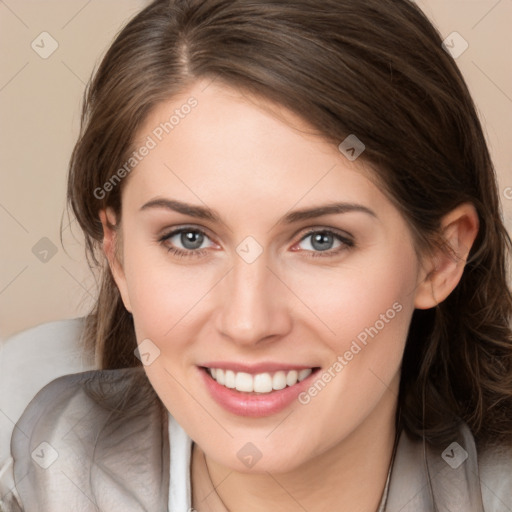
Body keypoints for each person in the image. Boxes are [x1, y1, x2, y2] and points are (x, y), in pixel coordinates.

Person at [1, 0, 511, 510]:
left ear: (442, 256)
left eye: (321, 240)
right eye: (189, 238)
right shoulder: (22, 435)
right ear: (118, 257)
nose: (248, 323)